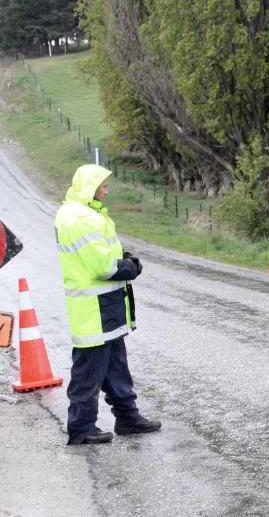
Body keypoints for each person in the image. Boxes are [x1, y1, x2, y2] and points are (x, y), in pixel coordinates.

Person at [54, 164, 161, 445]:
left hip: (106, 306)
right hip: (94, 310)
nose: (106, 188)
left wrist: (123, 257)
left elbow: (103, 252)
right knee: (89, 373)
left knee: (115, 368)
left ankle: (127, 417)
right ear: (90, 185)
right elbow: (103, 266)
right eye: (103, 183)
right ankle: (81, 428)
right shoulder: (79, 217)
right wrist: (130, 266)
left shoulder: (84, 213)